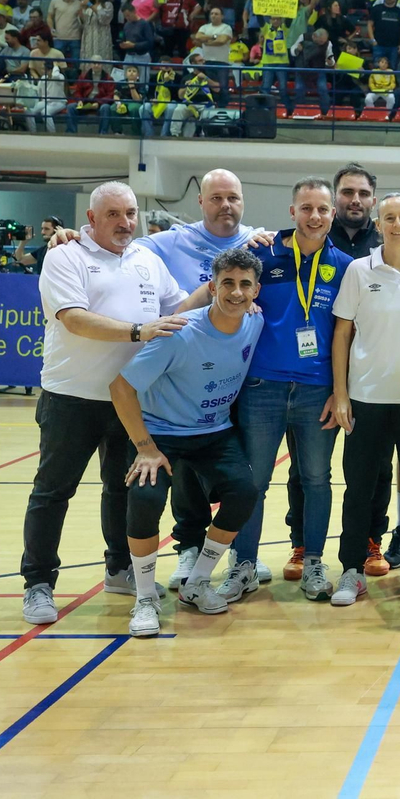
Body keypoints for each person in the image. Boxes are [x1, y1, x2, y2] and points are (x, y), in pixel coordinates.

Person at [19, 182, 200, 625]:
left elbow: (178, 310)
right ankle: (38, 584)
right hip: (71, 397)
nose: (125, 222)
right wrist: (138, 331)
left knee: (122, 489)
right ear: (93, 219)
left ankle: (119, 568)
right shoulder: (65, 256)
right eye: (115, 214)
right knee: (53, 491)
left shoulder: (146, 259)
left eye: (131, 213)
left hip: (130, 400)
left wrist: (218, 291)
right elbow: (74, 319)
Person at [111, 248, 265, 637]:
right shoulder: (179, 333)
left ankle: (197, 582)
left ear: (255, 290)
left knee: (245, 493)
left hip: (213, 431)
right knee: (145, 500)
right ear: (212, 287)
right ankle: (145, 597)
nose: (236, 292)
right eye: (227, 283)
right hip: (161, 432)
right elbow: (121, 386)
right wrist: (145, 447)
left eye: (244, 284)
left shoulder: (253, 322)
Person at [217, 178, 354, 604]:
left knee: (316, 479)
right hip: (262, 386)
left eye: (323, 209)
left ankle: (314, 561)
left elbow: (345, 335)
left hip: (317, 390)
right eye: (307, 208)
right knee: (252, 481)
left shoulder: (346, 266)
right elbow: (223, 281)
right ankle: (242, 565)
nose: (315, 216)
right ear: (292, 211)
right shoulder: (259, 253)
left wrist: (340, 391)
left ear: (333, 214)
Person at [328, 194, 400, 606]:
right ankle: (351, 572)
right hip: (366, 396)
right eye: (389, 218)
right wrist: (341, 393)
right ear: (379, 224)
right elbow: (342, 333)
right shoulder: (360, 270)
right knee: (359, 487)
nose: (397, 224)